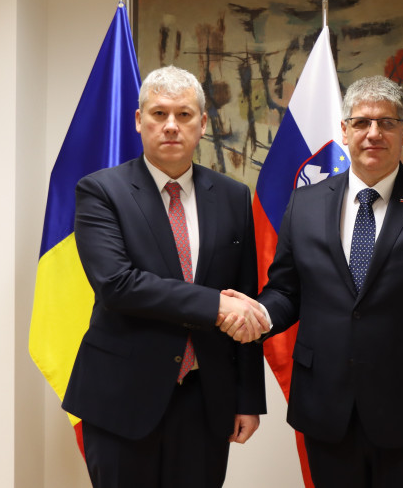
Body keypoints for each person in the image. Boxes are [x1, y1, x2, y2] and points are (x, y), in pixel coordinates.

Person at [224, 75, 403, 487]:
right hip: (327, 413)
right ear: (344, 131)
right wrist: (258, 313)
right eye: (362, 122)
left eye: (386, 123)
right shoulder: (306, 204)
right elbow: (287, 290)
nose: (374, 133)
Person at [62, 65, 269, 488]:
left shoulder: (232, 196)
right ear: (139, 121)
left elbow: (243, 294)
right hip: (122, 397)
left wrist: (248, 398)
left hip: (205, 398)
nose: (171, 126)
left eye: (184, 114)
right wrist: (215, 305)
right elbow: (118, 285)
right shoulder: (101, 192)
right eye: (158, 114)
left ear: (203, 124)